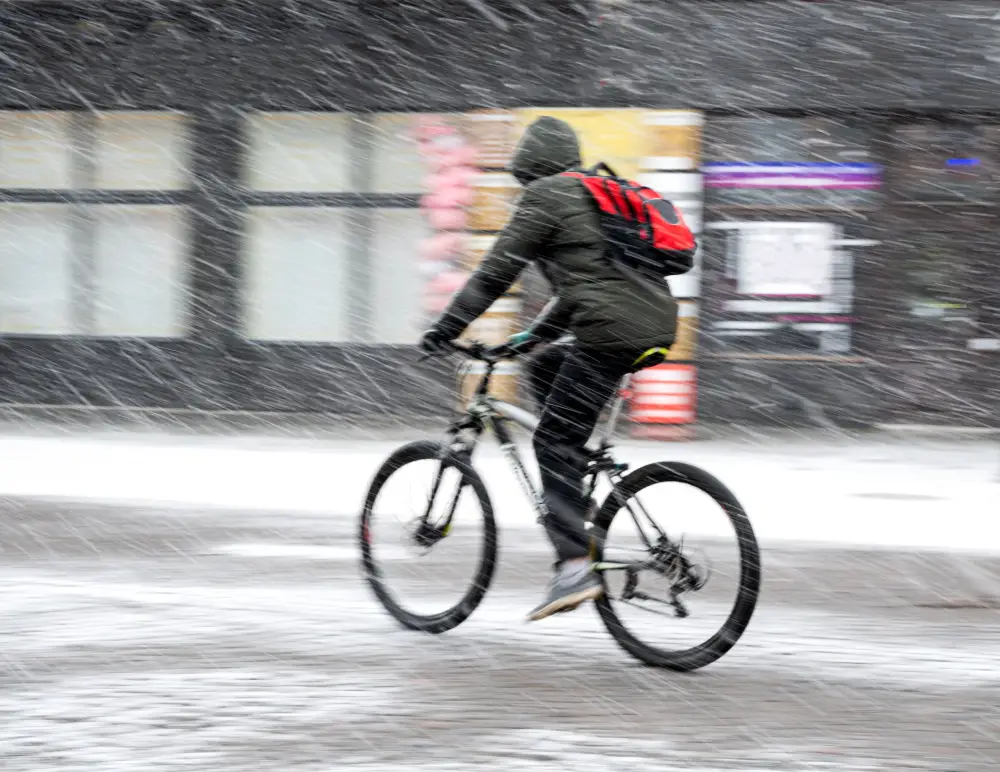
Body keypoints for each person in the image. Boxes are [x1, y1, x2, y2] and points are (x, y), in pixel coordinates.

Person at [419, 116, 680, 621]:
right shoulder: (594, 195)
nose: (521, 189)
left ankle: (574, 565)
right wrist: (528, 340)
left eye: (522, 179)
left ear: (531, 169)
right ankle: (573, 490)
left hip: (610, 332)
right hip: (653, 324)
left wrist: (445, 328)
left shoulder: (545, 196)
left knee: (550, 442)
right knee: (548, 367)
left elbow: (496, 272)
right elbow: (583, 288)